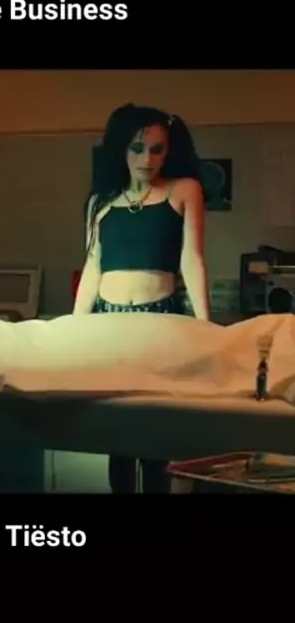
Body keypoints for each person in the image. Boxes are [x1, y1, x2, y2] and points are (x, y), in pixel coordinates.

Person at [73, 104, 210, 494]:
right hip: (108, 324)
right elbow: (92, 266)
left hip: (160, 321)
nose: (146, 159)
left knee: (154, 432)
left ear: (169, 151)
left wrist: (205, 326)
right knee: (117, 435)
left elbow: (192, 259)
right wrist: (73, 327)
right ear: (121, 149)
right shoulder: (100, 202)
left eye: (156, 149)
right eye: (137, 148)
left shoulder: (184, 190)